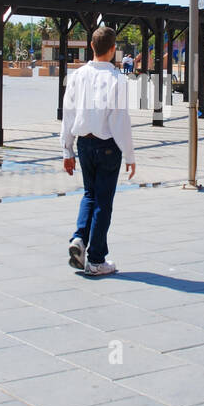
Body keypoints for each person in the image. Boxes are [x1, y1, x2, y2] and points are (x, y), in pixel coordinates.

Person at [61, 27, 137, 276]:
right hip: (107, 146)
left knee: (89, 194)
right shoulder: (117, 79)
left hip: (84, 143)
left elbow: (68, 114)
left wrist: (67, 151)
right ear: (114, 50)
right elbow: (119, 121)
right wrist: (129, 155)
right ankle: (95, 259)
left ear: (91, 47)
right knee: (103, 201)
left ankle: (79, 239)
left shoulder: (77, 76)